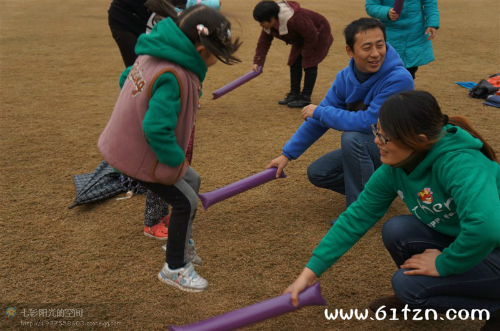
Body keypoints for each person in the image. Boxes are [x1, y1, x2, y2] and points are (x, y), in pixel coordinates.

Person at [285, 90, 500, 331]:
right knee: (398, 229)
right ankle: (425, 295)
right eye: (377, 131)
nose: (376, 140)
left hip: (493, 247)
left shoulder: (460, 163)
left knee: (407, 286)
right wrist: (309, 274)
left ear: (418, 140)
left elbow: (486, 229)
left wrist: (445, 264)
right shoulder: (395, 167)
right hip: (473, 243)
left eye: (385, 137)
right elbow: (356, 217)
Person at [98, 4, 241, 292]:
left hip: (131, 144)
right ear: (201, 51)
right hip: (137, 154)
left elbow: (126, 77)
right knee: (184, 200)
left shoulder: (155, 52)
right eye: (216, 55)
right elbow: (156, 128)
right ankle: (175, 267)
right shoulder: (174, 74)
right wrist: (175, 161)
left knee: (193, 181)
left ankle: (182, 246)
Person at [267, 18, 414, 216]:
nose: (375, 54)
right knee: (319, 172)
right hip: (377, 148)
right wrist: (287, 154)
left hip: (401, 152)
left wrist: (321, 111)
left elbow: (369, 122)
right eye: (367, 47)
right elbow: (318, 121)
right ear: (349, 51)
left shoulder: (399, 78)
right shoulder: (345, 77)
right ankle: (380, 194)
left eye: (380, 45)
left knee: (353, 138)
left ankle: (360, 212)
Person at [252, 0, 333, 108]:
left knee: (309, 64)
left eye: (261, 22)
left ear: (272, 18)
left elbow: (312, 34)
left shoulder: (295, 19)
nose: (261, 25)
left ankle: (305, 97)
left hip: (319, 33)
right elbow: (263, 44)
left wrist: (306, 52)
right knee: (294, 63)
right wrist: (258, 62)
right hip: (301, 37)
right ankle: (294, 94)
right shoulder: (268, 25)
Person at [365, 0, 439, 80]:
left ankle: (406, 88)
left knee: (409, 70)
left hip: (414, 33)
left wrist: (432, 23)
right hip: (390, 33)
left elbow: (430, 3)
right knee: (386, 69)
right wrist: (387, 12)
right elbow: (371, 6)